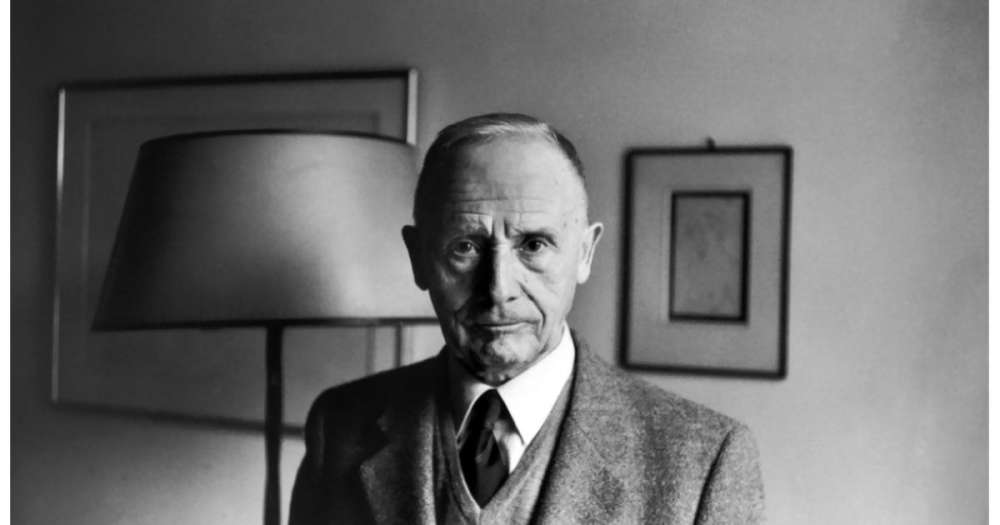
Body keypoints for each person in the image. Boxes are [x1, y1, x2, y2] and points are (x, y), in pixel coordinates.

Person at [289, 113, 765, 524]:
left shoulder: (705, 460)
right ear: (418, 258)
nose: (498, 288)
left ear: (584, 253)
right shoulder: (341, 425)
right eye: (465, 247)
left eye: (534, 245)